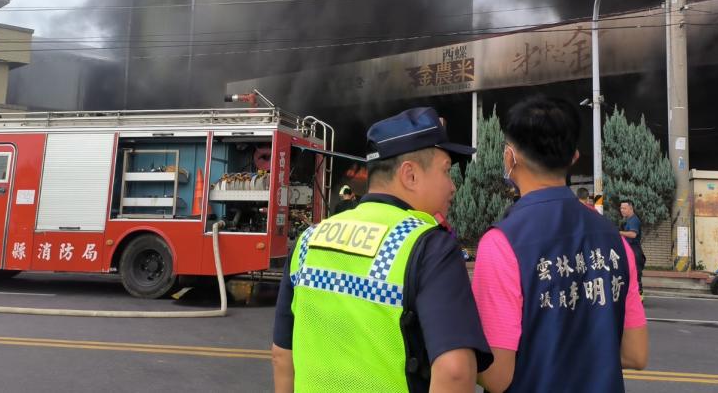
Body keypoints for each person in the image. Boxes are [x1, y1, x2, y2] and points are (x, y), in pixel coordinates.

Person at [272, 107, 493, 393]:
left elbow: (281, 356)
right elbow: (454, 372)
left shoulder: (309, 240)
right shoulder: (428, 246)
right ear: (410, 175)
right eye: (446, 171)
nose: (452, 186)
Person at [472, 95, 648, 393]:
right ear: (574, 158)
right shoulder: (615, 241)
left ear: (509, 158)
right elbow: (635, 354)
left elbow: (495, 377)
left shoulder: (501, 243)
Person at [619, 199, 646, 299]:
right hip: (630, 251)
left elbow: (633, 234)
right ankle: (633, 298)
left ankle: (639, 298)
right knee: (630, 276)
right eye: (621, 208)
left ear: (631, 208)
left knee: (636, 276)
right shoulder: (628, 220)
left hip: (635, 252)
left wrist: (619, 233)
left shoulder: (634, 220)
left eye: (624, 208)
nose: (622, 210)